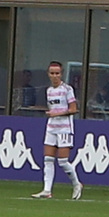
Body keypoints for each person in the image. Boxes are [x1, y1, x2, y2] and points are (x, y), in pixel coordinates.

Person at [35, 59, 81, 199]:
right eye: (52, 73)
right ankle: (47, 190)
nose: (54, 76)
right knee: (48, 159)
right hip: (51, 127)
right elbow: (52, 108)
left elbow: (74, 109)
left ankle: (77, 184)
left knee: (62, 161)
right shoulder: (49, 91)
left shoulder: (67, 89)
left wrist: (57, 114)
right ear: (48, 74)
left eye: (57, 73)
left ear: (61, 74)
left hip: (64, 129)